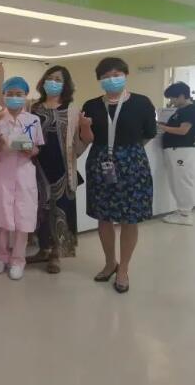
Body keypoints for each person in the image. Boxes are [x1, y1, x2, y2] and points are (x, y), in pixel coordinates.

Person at [0, 62, 93, 273]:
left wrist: (85, 127)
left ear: (66, 85)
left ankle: (56, 254)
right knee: (39, 210)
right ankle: (43, 249)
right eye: (50, 78)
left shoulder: (72, 111)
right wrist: (1, 75)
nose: (53, 83)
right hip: (35, 166)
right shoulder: (33, 106)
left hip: (62, 168)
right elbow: (7, 99)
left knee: (61, 210)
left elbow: (82, 141)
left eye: (58, 80)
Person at [82, 57, 156, 293]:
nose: (111, 79)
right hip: (100, 163)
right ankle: (109, 263)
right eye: (106, 76)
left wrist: (127, 153)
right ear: (100, 80)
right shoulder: (91, 105)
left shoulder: (142, 102)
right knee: (103, 217)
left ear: (125, 75)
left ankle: (123, 268)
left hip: (133, 163)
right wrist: (84, 127)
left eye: (116, 75)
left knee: (129, 218)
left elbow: (149, 133)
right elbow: (86, 138)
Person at [0, 76, 44, 281]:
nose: (14, 97)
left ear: (25, 96)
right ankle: (1, 257)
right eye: (9, 94)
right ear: (4, 95)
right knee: (1, 218)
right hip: (2, 173)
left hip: (24, 173)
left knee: (23, 219)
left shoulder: (33, 120)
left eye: (18, 94)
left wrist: (30, 149)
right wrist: (1, 143)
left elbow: (37, 148)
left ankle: (18, 260)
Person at [159, 81, 195, 226]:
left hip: (182, 151)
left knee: (182, 181)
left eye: (172, 98)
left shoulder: (190, 110)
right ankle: (182, 210)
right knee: (176, 181)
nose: (171, 101)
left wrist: (162, 127)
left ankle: (185, 214)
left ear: (181, 96)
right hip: (175, 150)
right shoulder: (180, 111)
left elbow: (183, 130)